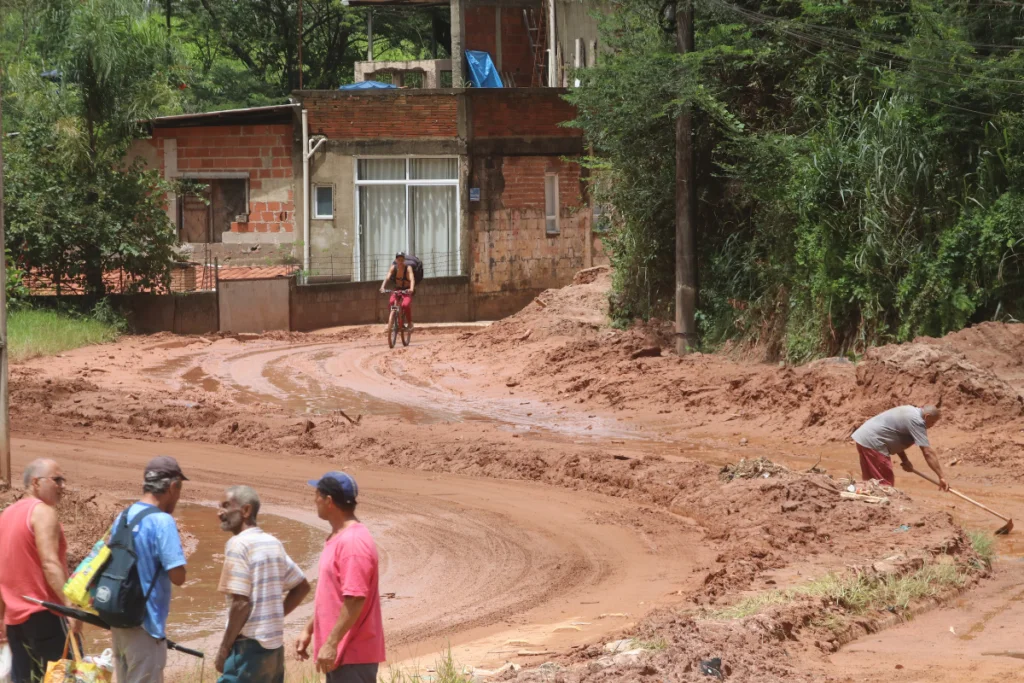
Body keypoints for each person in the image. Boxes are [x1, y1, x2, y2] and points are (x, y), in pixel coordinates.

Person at [295, 472, 384, 683]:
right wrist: (309, 629)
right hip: (343, 654)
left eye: (317, 494)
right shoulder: (339, 538)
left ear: (329, 501)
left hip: (352, 654)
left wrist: (331, 643)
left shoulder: (353, 543)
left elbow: (355, 599)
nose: (313, 500)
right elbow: (334, 598)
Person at [216, 485, 310, 683]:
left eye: (225, 506)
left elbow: (240, 604)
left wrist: (223, 650)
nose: (219, 513)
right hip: (274, 649)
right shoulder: (272, 542)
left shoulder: (238, 544)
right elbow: (302, 587)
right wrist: (273, 614)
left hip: (247, 650)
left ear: (246, 510)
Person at [0, 459, 80, 683]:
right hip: (47, 616)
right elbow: (50, 563)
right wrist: (71, 607)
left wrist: (2, 618)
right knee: (70, 677)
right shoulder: (42, 512)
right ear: (36, 482)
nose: (62, 486)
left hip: (16, 623)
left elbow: (3, 572)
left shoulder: (5, 515)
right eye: (57, 480)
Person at [110, 456, 189, 683]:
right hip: (146, 625)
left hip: (119, 621)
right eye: (180, 489)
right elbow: (178, 577)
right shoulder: (162, 521)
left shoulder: (124, 516)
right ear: (173, 486)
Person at [852, 405, 948, 490]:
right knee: (884, 485)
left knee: (871, 482)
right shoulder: (917, 421)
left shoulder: (910, 410)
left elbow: (895, 437)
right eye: (932, 422)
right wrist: (941, 477)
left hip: (864, 438)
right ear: (927, 417)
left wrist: (905, 460)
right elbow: (927, 452)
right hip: (874, 443)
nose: (932, 426)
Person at [379, 252, 416, 332]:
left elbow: (412, 279)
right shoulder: (393, 268)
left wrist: (411, 289)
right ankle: (392, 322)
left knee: (405, 305)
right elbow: (387, 277)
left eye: (402, 260)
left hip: (407, 290)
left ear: (404, 260)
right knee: (391, 302)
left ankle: (410, 323)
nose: (400, 261)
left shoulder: (408, 268)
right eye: (399, 259)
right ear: (396, 260)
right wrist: (382, 287)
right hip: (398, 289)